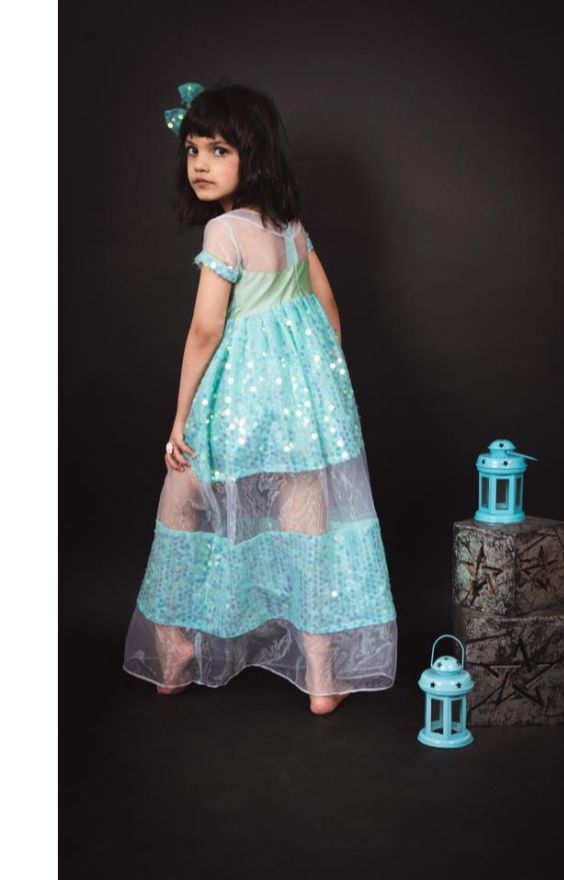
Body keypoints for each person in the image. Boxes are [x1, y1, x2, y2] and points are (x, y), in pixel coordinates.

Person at [122, 79, 397, 715]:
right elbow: (327, 306)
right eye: (192, 150)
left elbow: (205, 329)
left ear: (255, 156)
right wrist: (319, 381)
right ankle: (322, 675)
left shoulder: (225, 232)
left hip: (236, 404)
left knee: (183, 503)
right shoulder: (292, 228)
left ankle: (175, 648)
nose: (199, 164)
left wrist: (180, 417)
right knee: (306, 524)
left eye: (218, 150)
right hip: (302, 410)